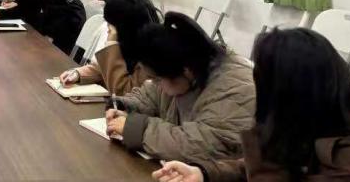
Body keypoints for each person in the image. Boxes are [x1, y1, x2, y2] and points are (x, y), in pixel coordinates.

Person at [154, 27, 350, 182]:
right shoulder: (320, 124)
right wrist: (204, 174)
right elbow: (255, 165)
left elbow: (273, 170)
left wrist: (263, 133)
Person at [106, 11, 255, 166]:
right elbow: (150, 95)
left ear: (187, 71)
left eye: (157, 79)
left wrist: (136, 129)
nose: (154, 84)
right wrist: (124, 106)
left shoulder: (233, 90)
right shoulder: (182, 68)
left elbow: (198, 146)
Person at [60, 0, 161, 94]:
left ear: (126, 27)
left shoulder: (149, 58)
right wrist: (78, 74)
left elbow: (121, 91)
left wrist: (112, 44)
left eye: (111, 24)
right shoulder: (128, 42)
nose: (108, 28)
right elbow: (101, 69)